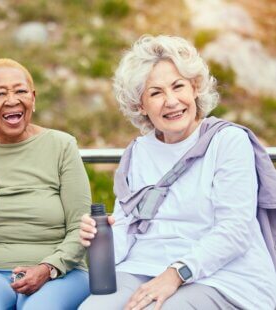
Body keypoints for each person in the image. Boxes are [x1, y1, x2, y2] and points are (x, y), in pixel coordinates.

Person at [79, 35, 276, 310]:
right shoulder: (137, 152)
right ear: (140, 105)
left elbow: (235, 231)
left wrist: (176, 274)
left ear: (195, 87)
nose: (171, 101)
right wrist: (103, 237)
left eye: (178, 86)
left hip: (223, 276)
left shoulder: (228, 141)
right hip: (143, 266)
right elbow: (126, 235)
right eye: (156, 93)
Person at [0, 58, 91, 309]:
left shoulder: (62, 146)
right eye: (0, 94)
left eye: (20, 91)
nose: (12, 100)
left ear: (33, 99)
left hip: (59, 273)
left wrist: (48, 268)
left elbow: (82, 226)